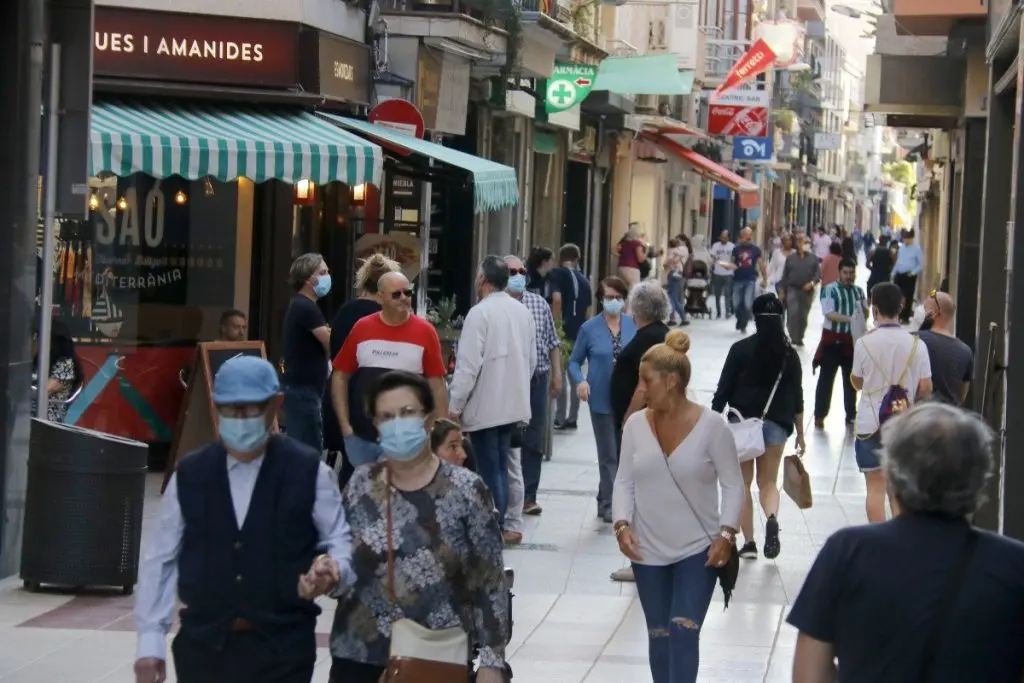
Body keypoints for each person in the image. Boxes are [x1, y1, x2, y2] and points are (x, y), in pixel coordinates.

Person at [132, 356, 355, 683]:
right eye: (229, 409)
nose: (239, 419)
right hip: (204, 649)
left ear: (275, 405)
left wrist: (334, 571)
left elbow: (338, 539)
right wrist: (150, 641)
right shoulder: (191, 475)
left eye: (250, 409)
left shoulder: (309, 472)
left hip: (284, 650)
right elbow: (161, 558)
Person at [788, 402, 1024, 683]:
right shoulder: (1013, 565)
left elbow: (809, 674)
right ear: (979, 477)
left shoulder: (848, 551)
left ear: (892, 475)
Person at [327, 371, 508, 683]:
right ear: (376, 427)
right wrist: (326, 574)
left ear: (428, 419)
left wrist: (492, 660)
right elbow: (341, 559)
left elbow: (489, 579)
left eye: (407, 413)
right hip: (358, 654)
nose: (397, 423)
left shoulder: (466, 489)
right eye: (386, 416)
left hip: (432, 658)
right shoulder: (361, 485)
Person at [611, 330, 743, 683]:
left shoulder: (713, 427)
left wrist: (727, 535)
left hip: (697, 551)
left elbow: (733, 484)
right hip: (647, 549)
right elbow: (623, 480)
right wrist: (622, 525)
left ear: (671, 381)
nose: (640, 388)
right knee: (659, 634)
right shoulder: (636, 426)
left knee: (684, 631)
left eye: (646, 380)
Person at [712, 294, 805, 560]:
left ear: (755, 318)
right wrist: (800, 432)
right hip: (777, 424)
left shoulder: (740, 350)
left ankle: (750, 543)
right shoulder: (789, 355)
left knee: (742, 484)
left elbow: (723, 389)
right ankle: (772, 518)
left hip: (742, 425)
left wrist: (711, 418)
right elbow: (797, 396)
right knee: (768, 482)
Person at [448, 255, 536, 526]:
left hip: (486, 405)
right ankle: (499, 523)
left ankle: (491, 527)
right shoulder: (522, 311)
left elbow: (468, 365)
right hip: (513, 404)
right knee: (501, 465)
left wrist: (455, 406)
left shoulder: (480, 312)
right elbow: (531, 360)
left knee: (490, 469)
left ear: (483, 280)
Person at [331, 271, 447, 467]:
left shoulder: (426, 331)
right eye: (396, 294)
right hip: (362, 437)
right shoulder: (362, 328)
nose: (403, 298)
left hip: (406, 439)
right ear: (380, 297)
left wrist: (438, 430)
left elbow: (437, 384)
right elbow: (340, 375)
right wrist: (345, 427)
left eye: (407, 293)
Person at [851, 282, 932, 522]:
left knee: (874, 488)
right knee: (897, 488)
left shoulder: (864, 343)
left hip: (870, 424)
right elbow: (926, 388)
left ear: (874, 308)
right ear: (902, 306)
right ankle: (899, 539)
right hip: (903, 424)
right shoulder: (918, 344)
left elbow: (857, 381)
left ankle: (878, 542)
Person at [608, 280, 671, 582]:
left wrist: (628, 418)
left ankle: (641, 557)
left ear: (639, 309)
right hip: (659, 422)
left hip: (646, 423)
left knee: (638, 490)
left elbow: (643, 387)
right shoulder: (666, 336)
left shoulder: (650, 340)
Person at [324, 254, 401, 484]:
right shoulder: (392, 317)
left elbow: (335, 356)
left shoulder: (346, 312)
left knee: (351, 469)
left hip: (346, 400)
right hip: (381, 405)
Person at [568, 277, 638, 522]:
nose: (614, 302)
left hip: (629, 400)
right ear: (600, 299)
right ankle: (611, 504)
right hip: (600, 399)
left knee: (622, 453)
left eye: (618, 297)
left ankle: (603, 497)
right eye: (609, 297)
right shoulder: (589, 328)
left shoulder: (633, 326)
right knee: (608, 454)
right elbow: (574, 361)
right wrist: (580, 381)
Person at [505, 254, 561, 520]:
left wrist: (557, 375)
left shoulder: (539, 304)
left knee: (534, 437)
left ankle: (529, 495)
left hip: (537, 379)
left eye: (522, 270)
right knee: (508, 435)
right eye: (512, 271)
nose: (518, 275)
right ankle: (506, 494)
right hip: (507, 380)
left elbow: (553, 343)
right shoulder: (495, 307)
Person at [281, 252, 332, 451]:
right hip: (303, 391)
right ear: (309, 279)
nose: (328, 276)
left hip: (304, 390)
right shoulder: (306, 308)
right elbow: (330, 342)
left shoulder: (303, 306)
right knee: (307, 450)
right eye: (323, 272)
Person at [813, 259, 866, 429]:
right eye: (846, 273)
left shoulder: (859, 292)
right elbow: (829, 313)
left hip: (851, 342)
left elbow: (865, 313)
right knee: (826, 379)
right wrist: (851, 319)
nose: (849, 276)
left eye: (852, 273)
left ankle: (851, 415)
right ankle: (820, 414)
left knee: (850, 380)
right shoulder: (829, 290)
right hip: (832, 341)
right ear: (839, 273)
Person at [549, 243, 593, 430]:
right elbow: (589, 311)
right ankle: (573, 417)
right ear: (577, 259)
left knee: (560, 371)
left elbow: (557, 299)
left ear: (561, 257)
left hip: (563, 330)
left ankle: (559, 416)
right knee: (574, 373)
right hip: (579, 331)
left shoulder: (557, 274)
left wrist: (555, 324)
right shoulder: (584, 281)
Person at [917, 290, 973, 405]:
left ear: (934, 313)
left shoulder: (914, 340)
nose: (919, 310)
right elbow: (961, 395)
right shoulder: (966, 351)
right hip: (948, 416)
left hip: (917, 415)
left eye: (924, 306)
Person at [32, 321, 83, 422]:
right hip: (30, 410)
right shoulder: (42, 359)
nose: (37, 341)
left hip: (47, 414)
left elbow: (45, 390)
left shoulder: (65, 363)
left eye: (40, 337)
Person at [781, 235, 821, 346]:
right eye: (802, 242)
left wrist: (811, 283)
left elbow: (817, 275)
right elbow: (785, 275)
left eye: (807, 242)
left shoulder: (813, 259)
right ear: (797, 244)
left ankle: (800, 336)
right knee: (792, 313)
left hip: (807, 292)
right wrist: (782, 290)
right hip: (792, 289)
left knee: (803, 315)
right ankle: (793, 336)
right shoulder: (791, 258)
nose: (804, 244)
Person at [726, 227, 766, 334]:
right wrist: (728, 266)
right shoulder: (736, 248)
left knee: (748, 303)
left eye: (747, 236)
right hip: (737, 279)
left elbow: (761, 264)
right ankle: (741, 320)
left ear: (750, 236)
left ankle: (743, 323)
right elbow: (732, 262)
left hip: (750, 279)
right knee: (736, 303)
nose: (745, 238)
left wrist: (765, 278)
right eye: (743, 236)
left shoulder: (755, 249)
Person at [891, 229, 923, 324]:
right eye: (905, 238)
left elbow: (921, 264)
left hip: (909, 275)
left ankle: (905, 317)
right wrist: (893, 272)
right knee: (897, 295)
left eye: (908, 238)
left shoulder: (916, 249)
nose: (906, 240)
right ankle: (898, 315)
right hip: (899, 274)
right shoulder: (901, 248)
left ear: (912, 238)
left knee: (908, 296)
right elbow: (898, 261)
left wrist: (913, 273)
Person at [664, 237, 690, 326]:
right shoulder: (684, 251)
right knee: (674, 298)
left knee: (672, 298)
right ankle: (679, 318)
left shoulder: (673, 251)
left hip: (673, 273)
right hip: (679, 274)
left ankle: (680, 318)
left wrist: (667, 262)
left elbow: (668, 261)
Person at [709, 230, 735, 318]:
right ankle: (718, 312)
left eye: (725, 237)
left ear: (728, 237)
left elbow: (733, 258)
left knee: (728, 294)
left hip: (728, 273)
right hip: (718, 272)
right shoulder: (715, 245)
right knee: (717, 294)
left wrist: (730, 266)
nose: (723, 239)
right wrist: (713, 263)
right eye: (722, 237)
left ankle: (727, 312)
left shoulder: (732, 246)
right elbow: (712, 256)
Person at [615, 223, 647, 289]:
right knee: (634, 289)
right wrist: (645, 254)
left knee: (623, 289)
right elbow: (640, 259)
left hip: (621, 267)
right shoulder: (637, 243)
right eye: (641, 235)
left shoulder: (624, 243)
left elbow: (616, 250)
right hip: (632, 268)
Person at [766, 233, 793, 298]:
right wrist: (765, 279)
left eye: (789, 240)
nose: (788, 242)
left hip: (792, 283)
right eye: (786, 240)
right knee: (781, 302)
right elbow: (771, 267)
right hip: (779, 281)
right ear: (783, 242)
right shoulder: (777, 253)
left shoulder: (795, 253)